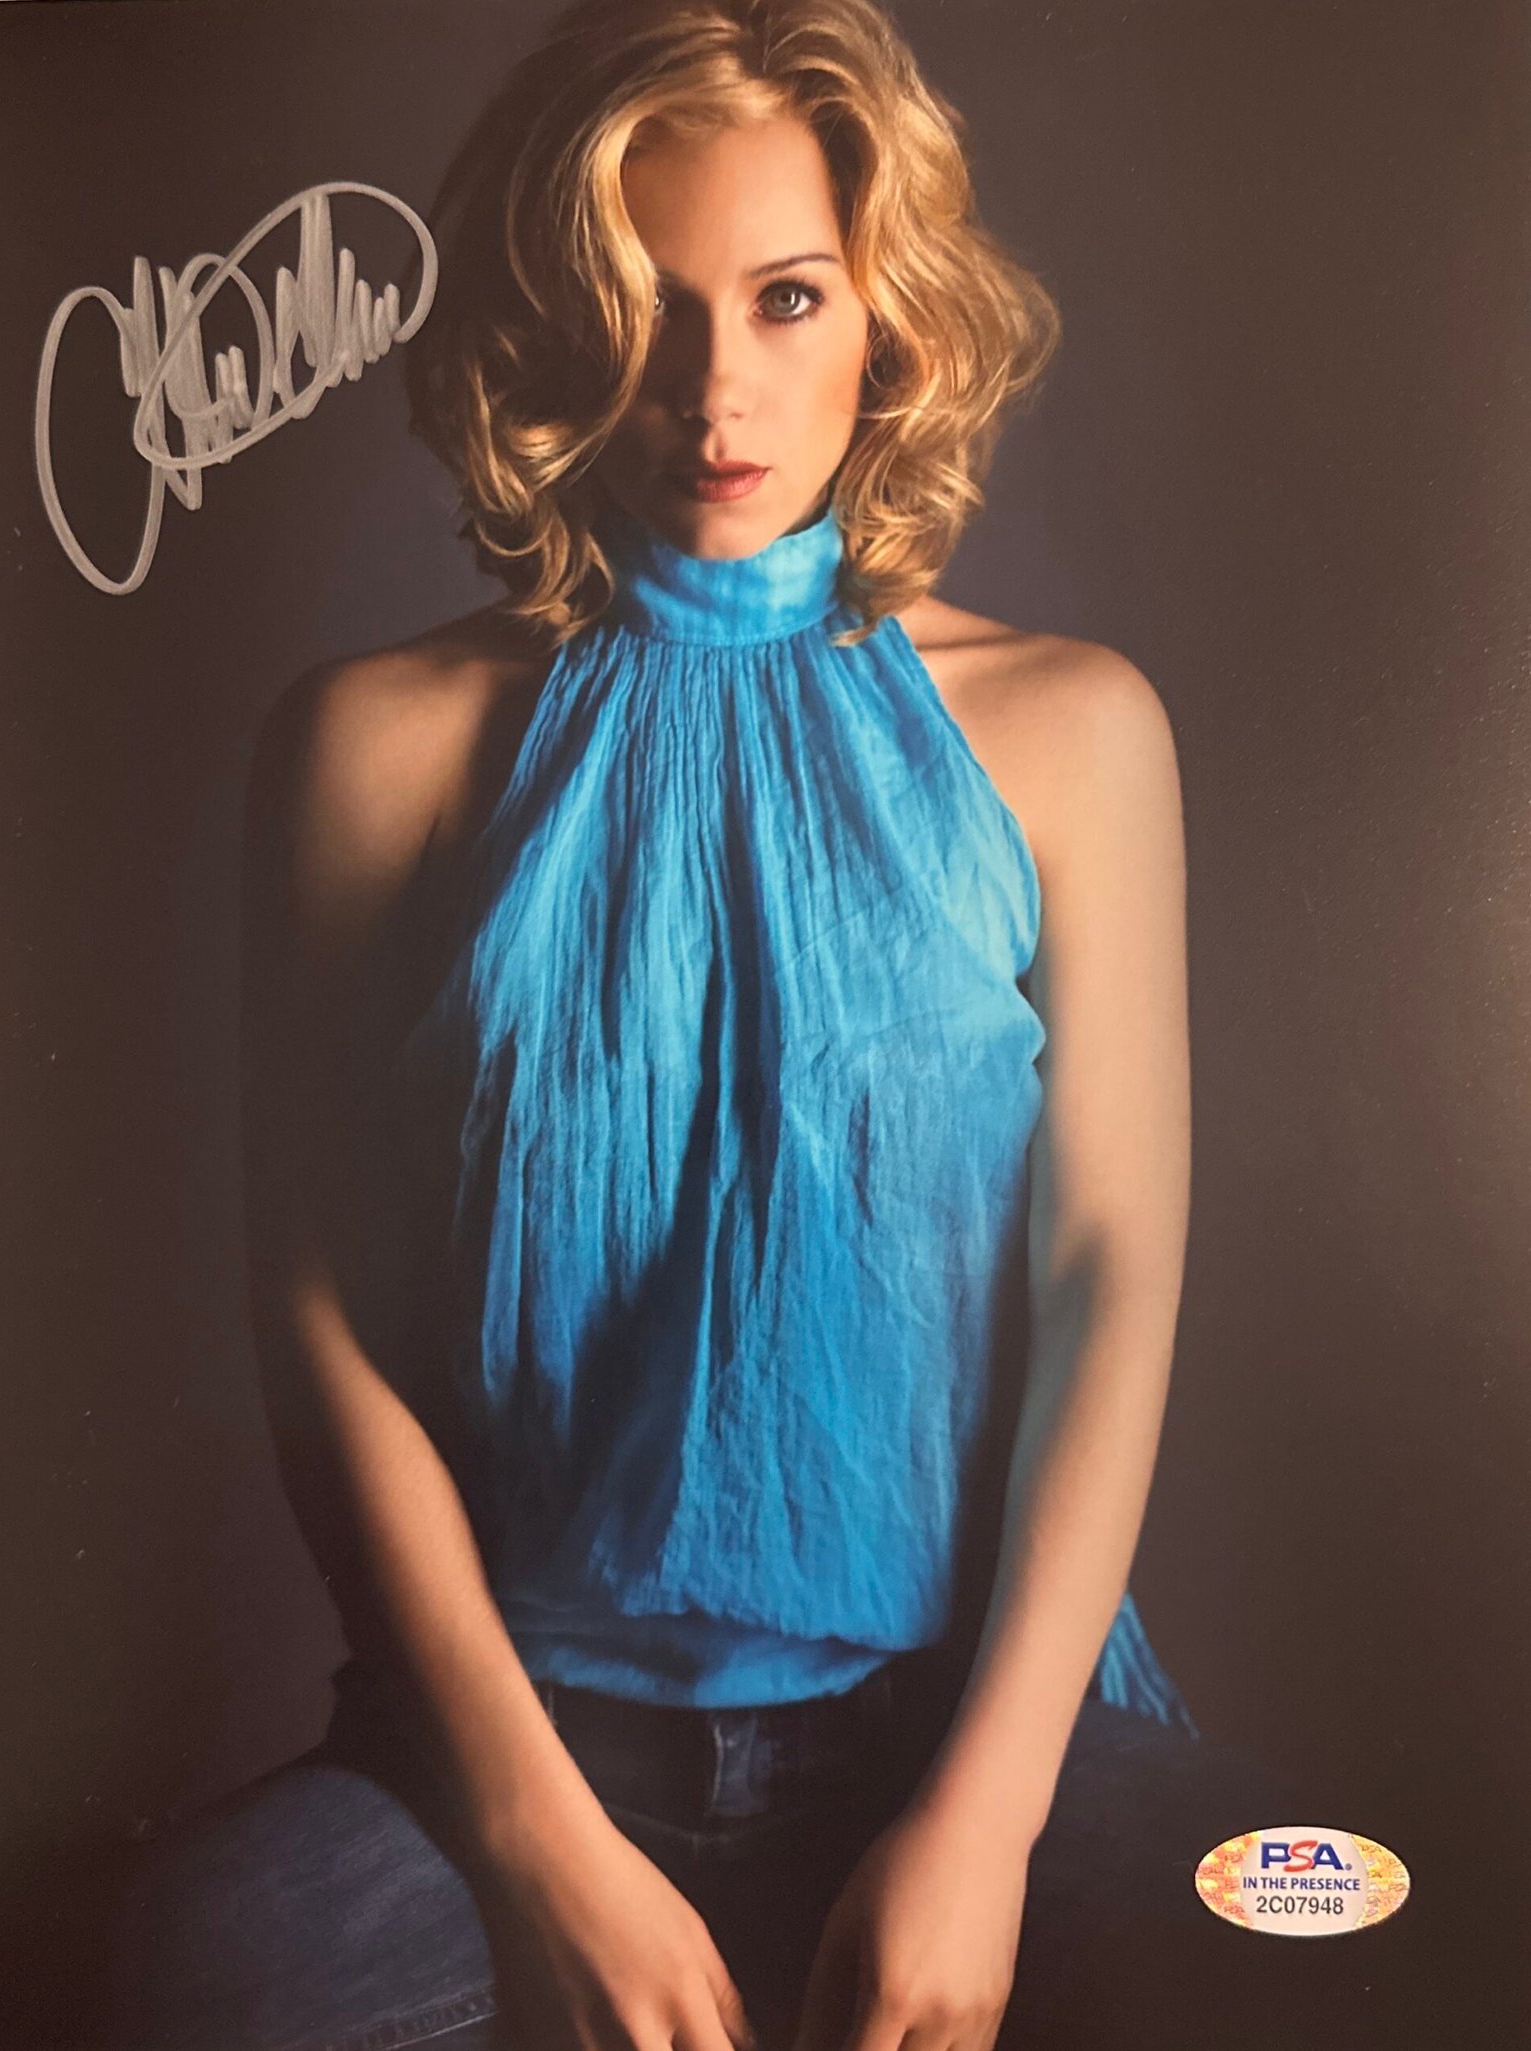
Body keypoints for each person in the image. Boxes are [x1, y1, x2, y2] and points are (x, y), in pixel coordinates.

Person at [96, 2, 1291, 2048]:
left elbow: (1110, 1273)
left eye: (785, 297)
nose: (715, 387)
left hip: (968, 1731)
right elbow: (316, 1312)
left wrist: (985, 1829)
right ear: (545, 331)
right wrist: (534, 1845)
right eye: (641, 307)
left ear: (886, 318)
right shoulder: (373, 750)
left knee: (1324, 1962)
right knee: (177, 1987)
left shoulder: (1074, 732)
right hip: (517, 1744)